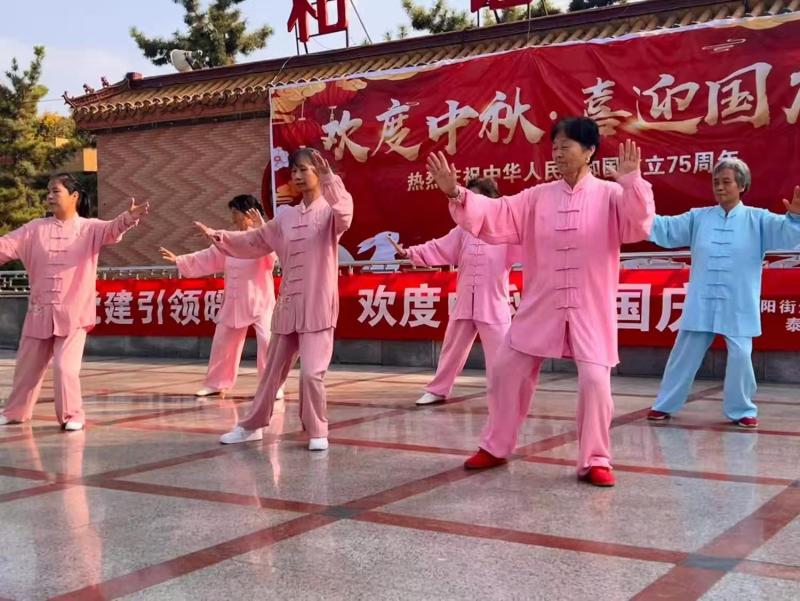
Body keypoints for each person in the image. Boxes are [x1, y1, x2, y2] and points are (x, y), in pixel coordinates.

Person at [427, 117, 654, 487]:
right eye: (555, 147)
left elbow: (639, 225)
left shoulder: (610, 195)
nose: (558, 153)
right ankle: (496, 446)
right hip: (541, 304)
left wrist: (631, 182)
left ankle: (595, 459)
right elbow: (497, 213)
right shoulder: (536, 197)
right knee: (507, 370)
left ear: (589, 151)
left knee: (595, 382)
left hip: (590, 308)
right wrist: (456, 194)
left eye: (566, 146)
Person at [194, 149, 353, 450]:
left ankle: (317, 429)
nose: (297, 176)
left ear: (318, 172)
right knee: (271, 375)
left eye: (304, 169)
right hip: (288, 307)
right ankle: (251, 426)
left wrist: (330, 179)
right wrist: (220, 237)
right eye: (293, 171)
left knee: (312, 374)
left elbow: (345, 214)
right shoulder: (286, 217)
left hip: (318, 307)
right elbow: (254, 240)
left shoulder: (330, 212)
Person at [647, 159, 800, 428]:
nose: (719, 187)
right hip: (701, 301)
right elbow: (664, 228)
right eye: (716, 182)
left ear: (742, 185)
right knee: (684, 354)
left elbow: (788, 234)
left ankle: (742, 409)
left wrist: (796, 217)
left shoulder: (758, 219)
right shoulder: (698, 217)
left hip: (737, 301)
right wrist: (637, 202)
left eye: (726, 182)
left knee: (741, 356)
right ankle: (664, 404)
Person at [0, 173, 148, 431]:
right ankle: (15, 412)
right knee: (27, 368)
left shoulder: (89, 228)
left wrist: (129, 217)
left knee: (64, 368)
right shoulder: (34, 229)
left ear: (74, 196)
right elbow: (5, 245)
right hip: (39, 312)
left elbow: (112, 229)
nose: (49, 196)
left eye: (55, 191)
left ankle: (72, 415)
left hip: (73, 314)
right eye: (48, 191)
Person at [391, 178, 522, 406]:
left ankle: (506, 396)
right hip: (464, 303)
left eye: (474, 199)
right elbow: (438, 247)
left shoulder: (505, 233)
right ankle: (438, 390)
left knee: (501, 354)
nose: (468, 205)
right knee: (452, 350)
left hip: (493, 305)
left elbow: (534, 250)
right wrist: (410, 253)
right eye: (466, 200)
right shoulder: (462, 231)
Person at [160, 194, 285, 399]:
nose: (233, 216)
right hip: (234, 301)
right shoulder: (230, 241)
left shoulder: (261, 238)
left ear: (247, 214)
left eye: (236, 212)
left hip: (260, 301)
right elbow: (208, 256)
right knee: (223, 342)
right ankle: (216, 383)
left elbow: (273, 254)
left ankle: (273, 385)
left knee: (267, 341)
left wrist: (262, 227)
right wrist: (179, 260)